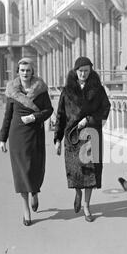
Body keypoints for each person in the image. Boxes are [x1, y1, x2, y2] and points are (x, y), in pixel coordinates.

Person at [54, 57, 111, 222]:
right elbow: (60, 115)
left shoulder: (98, 90)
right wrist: (57, 138)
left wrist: (90, 119)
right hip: (72, 137)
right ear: (75, 71)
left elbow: (105, 109)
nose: (83, 74)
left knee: (90, 173)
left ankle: (87, 205)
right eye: (80, 71)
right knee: (76, 173)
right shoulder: (67, 91)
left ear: (91, 71)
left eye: (86, 70)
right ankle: (78, 193)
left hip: (91, 134)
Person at [0, 58, 53, 226]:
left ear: (32, 72)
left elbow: (49, 110)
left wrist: (34, 117)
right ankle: (26, 211)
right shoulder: (11, 91)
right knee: (21, 173)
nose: (25, 73)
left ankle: (35, 193)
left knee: (34, 169)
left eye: (28, 70)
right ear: (18, 72)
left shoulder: (41, 89)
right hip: (17, 137)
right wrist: (2, 138)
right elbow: (8, 116)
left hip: (35, 134)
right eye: (22, 70)